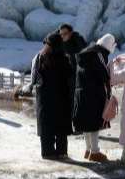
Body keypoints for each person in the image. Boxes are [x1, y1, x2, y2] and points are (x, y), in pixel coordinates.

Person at [73, 33, 117, 162]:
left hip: (81, 92)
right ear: (109, 46)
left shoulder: (85, 53)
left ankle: (88, 150)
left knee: (86, 123)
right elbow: (104, 75)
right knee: (94, 124)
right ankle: (95, 152)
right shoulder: (98, 54)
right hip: (94, 93)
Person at [33, 31, 74, 160]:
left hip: (45, 99)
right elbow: (70, 78)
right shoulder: (65, 59)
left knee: (47, 127)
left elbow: (35, 78)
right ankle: (62, 152)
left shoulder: (40, 58)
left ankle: (47, 152)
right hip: (62, 98)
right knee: (61, 128)